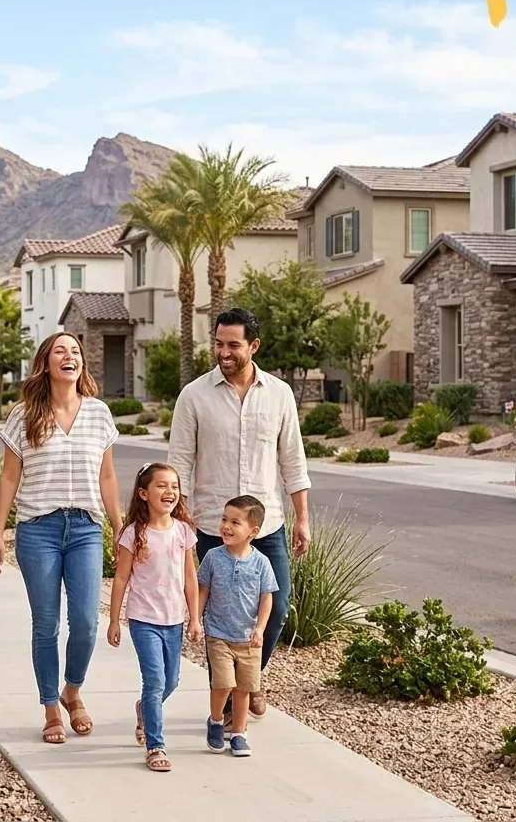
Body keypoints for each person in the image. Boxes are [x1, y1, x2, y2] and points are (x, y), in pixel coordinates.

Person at [168, 306, 311, 730]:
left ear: (254, 346)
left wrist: (301, 518)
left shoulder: (280, 394)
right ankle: (233, 701)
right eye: (218, 343)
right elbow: (179, 463)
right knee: (218, 619)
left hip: (265, 529)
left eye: (233, 344)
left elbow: (293, 460)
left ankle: (249, 680)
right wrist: (181, 520)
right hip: (212, 527)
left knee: (278, 606)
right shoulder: (194, 395)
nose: (224, 352)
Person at [0, 333, 123, 746]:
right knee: (45, 625)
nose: (71, 356)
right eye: (61, 351)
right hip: (38, 530)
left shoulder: (99, 414)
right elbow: (10, 476)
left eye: (76, 352)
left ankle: (73, 690)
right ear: (45, 363)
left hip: (85, 528)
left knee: (84, 622)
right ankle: (51, 707)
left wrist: (120, 529)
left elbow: (107, 476)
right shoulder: (24, 414)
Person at [107, 463, 201, 773]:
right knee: (155, 680)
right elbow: (121, 578)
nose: (169, 491)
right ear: (143, 493)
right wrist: (114, 620)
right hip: (142, 618)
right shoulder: (133, 534)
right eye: (161, 485)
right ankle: (155, 745)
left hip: (173, 618)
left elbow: (190, 577)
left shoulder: (183, 531)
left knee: (170, 681)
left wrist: (195, 618)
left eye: (173, 485)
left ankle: (144, 711)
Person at [197, 495, 278, 757]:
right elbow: (203, 590)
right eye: (224, 519)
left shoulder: (261, 563)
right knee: (222, 684)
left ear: (252, 532)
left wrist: (260, 629)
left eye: (235, 522)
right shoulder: (212, 557)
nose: (226, 527)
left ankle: (240, 733)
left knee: (244, 688)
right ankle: (217, 720)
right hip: (218, 634)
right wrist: (196, 620)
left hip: (248, 637)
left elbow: (267, 598)